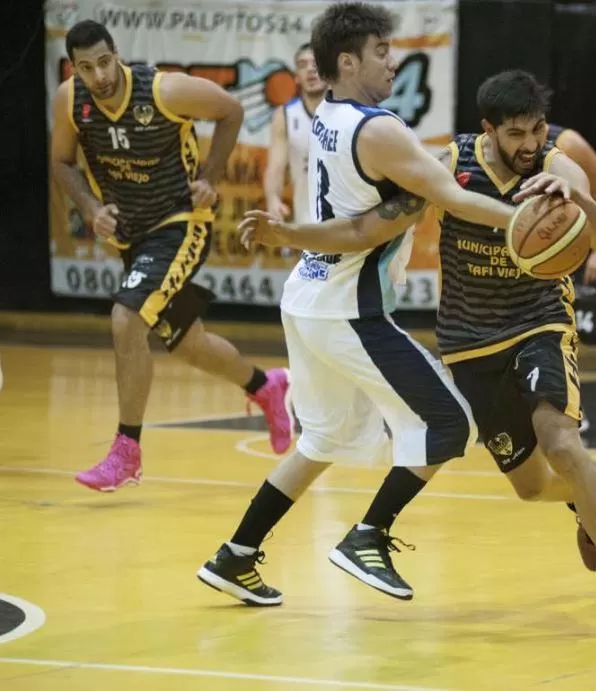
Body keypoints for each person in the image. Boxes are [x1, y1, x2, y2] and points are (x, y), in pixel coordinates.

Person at [236, 66, 596, 643]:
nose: (529, 144)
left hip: (538, 324)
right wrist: (287, 234)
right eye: (516, 134)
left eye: (537, 130)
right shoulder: (448, 165)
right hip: (470, 341)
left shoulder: (554, 164)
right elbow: (367, 227)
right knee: (533, 486)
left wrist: (579, 205)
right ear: (488, 130)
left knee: (562, 442)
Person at [196, 2, 523, 606]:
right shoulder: (377, 130)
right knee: (449, 423)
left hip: (309, 298)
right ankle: (368, 536)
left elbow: (381, 210)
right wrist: (522, 219)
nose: (392, 62)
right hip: (348, 309)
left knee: (321, 439)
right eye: (380, 52)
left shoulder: (328, 114)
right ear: (347, 61)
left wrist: (292, 235)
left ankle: (235, 555)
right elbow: (440, 198)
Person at [49, 20, 292, 493]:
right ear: (74, 68)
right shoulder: (70, 101)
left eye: (104, 62)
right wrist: (91, 208)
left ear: (115, 54)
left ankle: (127, 451)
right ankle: (266, 386)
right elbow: (61, 162)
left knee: (126, 318)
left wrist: (211, 176)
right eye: (86, 68)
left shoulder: (163, 91)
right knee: (188, 343)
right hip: (131, 236)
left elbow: (231, 110)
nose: (99, 76)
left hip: (180, 223)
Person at [545, 124, 596, 434]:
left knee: (585, 331)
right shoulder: (496, 151)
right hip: (543, 246)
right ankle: (571, 410)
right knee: (555, 328)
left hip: (583, 243)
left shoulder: (567, 143)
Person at [263, 43, 326, 225]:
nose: (310, 70)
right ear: (296, 77)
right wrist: (273, 199)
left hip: (347, 224)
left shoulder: (348, 111)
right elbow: (275, 167)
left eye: (316, 64)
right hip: (307, 222)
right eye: (303, 65)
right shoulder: (285, 115)